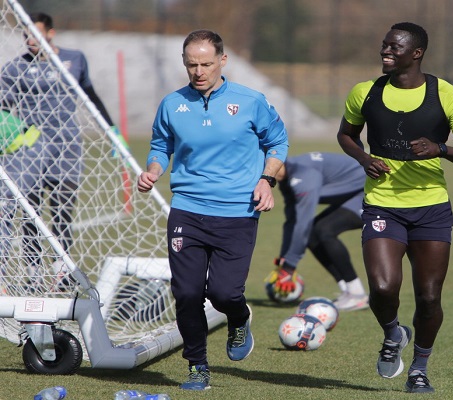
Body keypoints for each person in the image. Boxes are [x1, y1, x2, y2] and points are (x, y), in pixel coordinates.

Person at [336, 22, 453, 394]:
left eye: (394, 47)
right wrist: (362, 158)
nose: (385, 51)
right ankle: (392, 333)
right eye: (384, 45)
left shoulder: (447, 95)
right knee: (384, 288)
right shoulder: (365, 93)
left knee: (429, 296)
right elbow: (346, 134)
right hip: (383, 206)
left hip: (431, 209)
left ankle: (419, 368)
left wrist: (441, 149)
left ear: (416, 53)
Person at [137, 29, 288, 391]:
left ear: (223, 60)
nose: (199, 71)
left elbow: (278, 143)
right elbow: (161, 145)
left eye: (206, 63)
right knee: (187, 293)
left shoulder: (250, 101)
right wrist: (154, 170)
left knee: (224, 294)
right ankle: (197, 367)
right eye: (192, 64)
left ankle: (238, 319)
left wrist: (267, 180)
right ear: (184, 64)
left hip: (237, 211)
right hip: (187, 209)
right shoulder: (172, 104)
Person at [0, 12, 116, 281]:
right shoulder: (14, 69)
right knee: (31, 213)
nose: (30, 40)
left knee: (63, 210)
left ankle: (61, 270)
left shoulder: (74, 59)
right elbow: (4, 111)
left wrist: (112, 131)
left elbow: (90, 94)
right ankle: (33, 271)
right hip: (29, 150)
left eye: (36, 34)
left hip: (67, 147)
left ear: (51, 33)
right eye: (26, 35)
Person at [269, 151, 369, 311]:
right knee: (313, 234)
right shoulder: (287, 180)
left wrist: (290, 266)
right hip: (355, 193)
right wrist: (284, 259)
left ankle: (358, 295)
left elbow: (303, 222)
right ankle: (348, 292)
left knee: (324, 230)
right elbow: (291, 221)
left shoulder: (303, 176)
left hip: (372, 190)